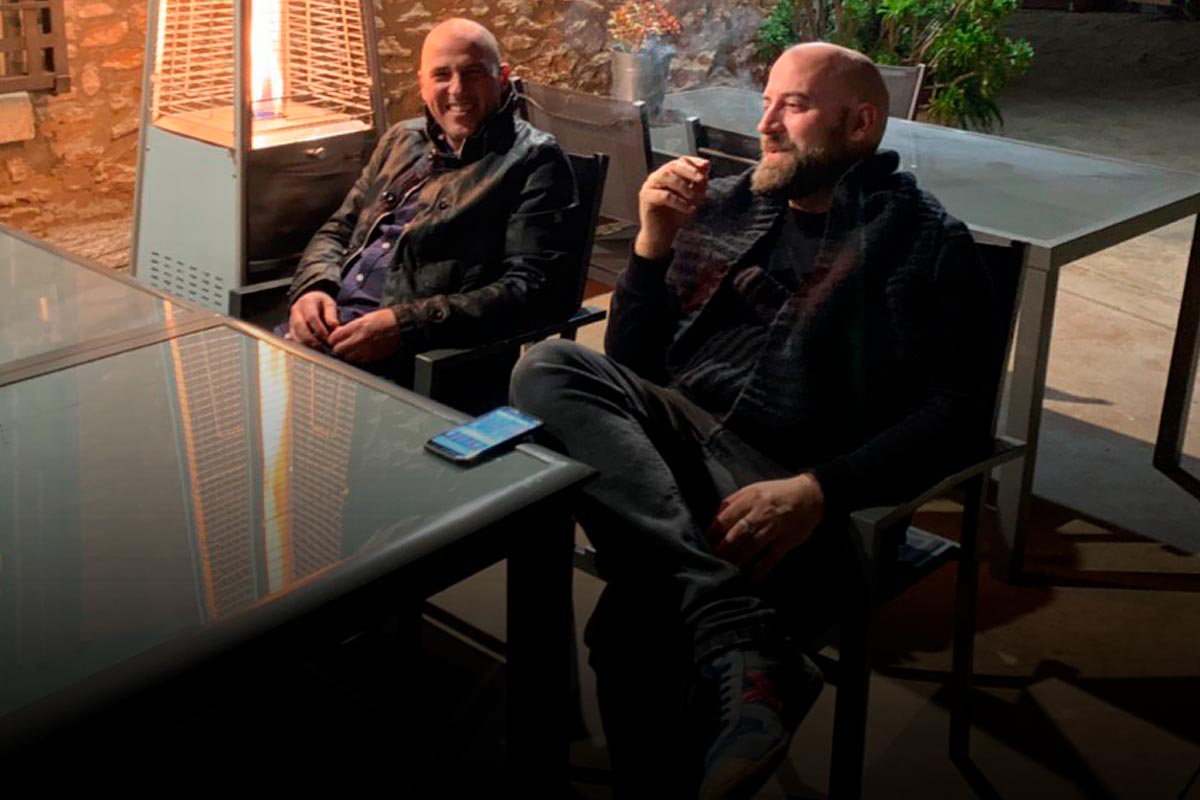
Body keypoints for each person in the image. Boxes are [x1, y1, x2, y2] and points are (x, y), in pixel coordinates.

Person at [511, 43, 1001, 798]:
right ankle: (739, 639)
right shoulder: (730, 206)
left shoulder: (924, 241)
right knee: (549, 366)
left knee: (634, 627)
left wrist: (819, 490)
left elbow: (960, 417)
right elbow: (637, 365)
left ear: (861, 123)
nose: (766, 123)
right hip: (685, 466)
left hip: (791, 502)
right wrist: (651, 244)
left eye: (794, 106)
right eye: (767, 101)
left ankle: (723, 656)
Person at [283, 18, 577, 384]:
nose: (457, 90)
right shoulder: (401, 140)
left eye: (472, 73)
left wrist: (404, 325)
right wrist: (313, 287)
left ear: (501, 78)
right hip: (327, 329)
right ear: (422, 83)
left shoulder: (534, 160)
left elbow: (534, 290)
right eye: (442, 75)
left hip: (418, 358)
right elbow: (340, 227)